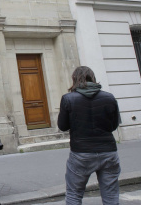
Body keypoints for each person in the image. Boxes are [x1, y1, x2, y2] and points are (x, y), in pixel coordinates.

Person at [58, 66, 121, 205]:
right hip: (108, 151)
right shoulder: (109, 97)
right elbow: (114, 125)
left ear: (74, 79)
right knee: (111, 196)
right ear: (92, 77)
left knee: (74, 194)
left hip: (81, 152)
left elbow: (62, 126)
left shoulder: (68, 99)